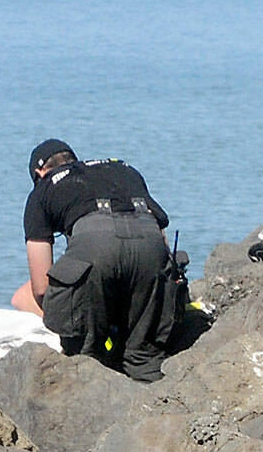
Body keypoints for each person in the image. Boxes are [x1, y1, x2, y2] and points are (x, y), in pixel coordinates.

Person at [23, 139, 178, 382]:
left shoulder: (42, 188)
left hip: (95, 245)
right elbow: (162, 242)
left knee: (86, 356)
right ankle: (153, 395)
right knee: (143, 355)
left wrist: (68, 313)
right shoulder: (124, 169)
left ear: (38, 173)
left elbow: (41, 287)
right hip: (150, 243)